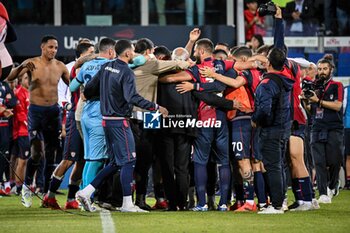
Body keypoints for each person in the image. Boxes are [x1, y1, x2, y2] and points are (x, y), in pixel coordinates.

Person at [76, 39, 168, 213]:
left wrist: (96, 97)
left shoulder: (106, 67)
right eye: (132, 51)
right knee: (129, 160)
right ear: (127, 53)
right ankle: (127, 204)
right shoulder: (126, 71)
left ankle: (86, 192)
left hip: (106, 121)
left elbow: (88, 90)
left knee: (115, 163)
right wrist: (156, 107)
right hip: (119, 121)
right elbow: (132, 97)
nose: (134, 54)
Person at [7, 35, 70, 208]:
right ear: (42, 47)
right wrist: (20, 66)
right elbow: (11, 76)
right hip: (36, 112)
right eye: (50, 47)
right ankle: (27, 188)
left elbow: (72, 86)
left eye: (56, 47)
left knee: (51, 155)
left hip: (54, 113)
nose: (53, 50)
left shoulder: (60, 66)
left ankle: (46, 192)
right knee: (36, 153)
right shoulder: (31, 63)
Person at [41, 42, 95, 210]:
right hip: (75, 117)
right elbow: (62, 94)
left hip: (88, 118)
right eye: (91, 52)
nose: (94, 55)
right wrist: (68, 107)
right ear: (83, 54)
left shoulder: (94, 67)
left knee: (81, 161)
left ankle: (71, 199)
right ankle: (49, 196)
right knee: (68, 159)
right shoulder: (71, 68)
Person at [251, 47, 294, 214]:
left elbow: (264, 109)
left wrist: (255, 120)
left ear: (268, 63)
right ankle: (280, 201)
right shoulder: (284, 81)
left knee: (273, 167)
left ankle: (276, 205)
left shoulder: (267, 83)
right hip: (283, 128)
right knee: (279, 166)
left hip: (271, 130)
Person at [301, 55, 344, 204]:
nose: (322, 71)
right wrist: (304, 100)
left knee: (334, 161)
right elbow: (311, 110)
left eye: (325, 68)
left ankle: (333, 184)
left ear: (331, 70)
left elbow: (338, 106)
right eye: (319, 69)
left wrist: (318, 100)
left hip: (334, 128)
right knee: (318, 162)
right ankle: (323, 192)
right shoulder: (313, 87)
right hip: (316, 127)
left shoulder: (336, 85)